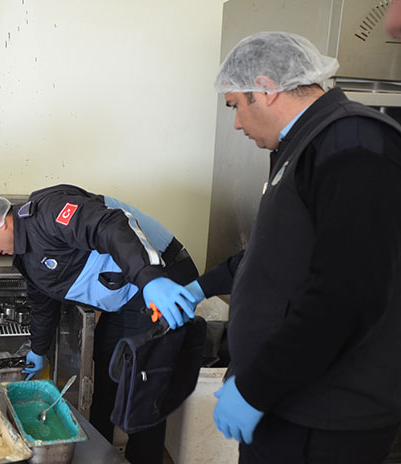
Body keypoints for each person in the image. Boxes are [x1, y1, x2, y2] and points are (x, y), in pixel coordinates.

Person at [163, 32, 401, 463]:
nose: (235, 123)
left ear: (267, 88)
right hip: (289, 402)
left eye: (235, 104)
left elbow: (348, 293)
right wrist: (200, 288)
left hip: (325, 418)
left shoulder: (352, 142)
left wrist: (257, 387)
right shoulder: (305, 145)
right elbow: (269, 257)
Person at [0, 185, 200, 464]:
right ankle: (102, 455)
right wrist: (38, 350)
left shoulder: (48, 213)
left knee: (142, 383)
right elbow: (43, 303)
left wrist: (150, 279)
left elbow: (110, 226)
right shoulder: (26, 257)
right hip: (126, 297)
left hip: (160, 277)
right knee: (107, 368)